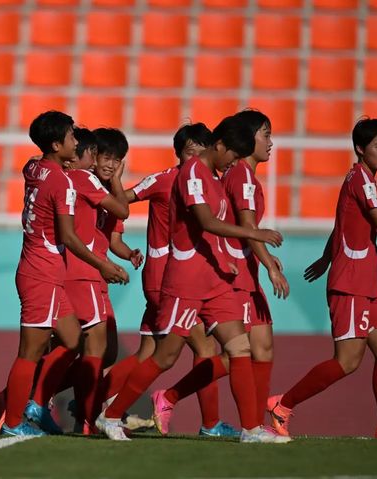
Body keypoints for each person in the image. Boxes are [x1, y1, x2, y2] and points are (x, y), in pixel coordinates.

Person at [94, 115, 288, 443]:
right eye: (231, 156)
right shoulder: (193, 173)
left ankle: (251, 429)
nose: (233, 163)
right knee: (165, 355)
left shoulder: (214, 176)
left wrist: (226, 259)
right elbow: (206, 221)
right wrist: (256, 234)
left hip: (213, 279)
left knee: (239, 346)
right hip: (185, 278)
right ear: (220, 145)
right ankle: (111, 416)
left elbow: (208, 233)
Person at [267, 118, 377, 440]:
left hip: (368, 284)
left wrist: (325, 256)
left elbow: (343, 223)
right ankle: (283, 404)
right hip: (350, 284)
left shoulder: (360, 179)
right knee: (348, 361)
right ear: (360, 149)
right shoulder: (361, 180)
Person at [102, 123, 240, 438]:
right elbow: (123, 200)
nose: (197, 152)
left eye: (202, 147)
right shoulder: (165, 178)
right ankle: (210, 423)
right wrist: (114, 183)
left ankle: (94, 401)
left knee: (148, 353)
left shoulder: (207, 182)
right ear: (180, 151)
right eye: (191, 147)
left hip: (187, 277)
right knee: (202, 348)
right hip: (166, 276)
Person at [1, 111, 128, 437]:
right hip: (41, 271)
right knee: (30, 351)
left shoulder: (34, 167)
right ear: (57, 144)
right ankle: (15, 420)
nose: (78, 141)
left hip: (47, 270)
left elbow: (35, 164)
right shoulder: (63, 181)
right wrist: (104, 265)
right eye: (73, 137)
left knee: (72, 340)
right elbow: (70, 237)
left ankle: (30, 403)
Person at [219, 109, 290, 427]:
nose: (271, 143)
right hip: (236, 276)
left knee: (262, 348)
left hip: (247, 272)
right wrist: (271, 267)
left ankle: (259, 424)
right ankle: (172, 396)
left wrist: (265, 260)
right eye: (266, 134)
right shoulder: (243, 176)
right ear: (248, 139)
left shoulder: (244, 175)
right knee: (238, 353)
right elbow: (248, 226)